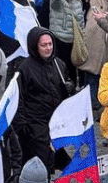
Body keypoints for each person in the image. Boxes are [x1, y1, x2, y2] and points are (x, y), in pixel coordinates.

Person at [14, 28, 72, 168]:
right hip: (35, 125)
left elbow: (64, 92)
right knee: (40, 164)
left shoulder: (58, 64)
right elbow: (18, 99)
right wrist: (23, 127)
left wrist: (70, 88)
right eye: (44, 45)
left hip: (57, 123)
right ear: (35, 46)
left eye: (50, 44)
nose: (48, 48)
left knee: (62, 162)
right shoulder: (25, 69)